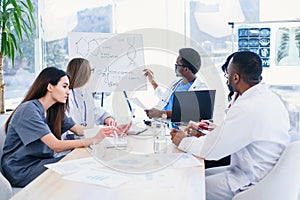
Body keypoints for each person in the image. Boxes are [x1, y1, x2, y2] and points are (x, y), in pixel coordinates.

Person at [171, 51, 290, 200]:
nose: (226, 79)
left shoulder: (248, 106)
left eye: (227, 75)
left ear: (236, 77)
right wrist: (214, 133)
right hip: (264, 174)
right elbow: (242, 133)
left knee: (187, 185)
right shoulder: (270, 98)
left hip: (252, 182)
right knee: (196, 173)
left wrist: (182, 140)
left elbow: (212, 151)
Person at [1, 67, 119, 187]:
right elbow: (56, 145)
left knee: (85, 164)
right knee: (80, 169)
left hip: (40, 163)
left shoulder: (53, 110)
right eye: (64, 86)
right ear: (50, 87)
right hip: (21, 170)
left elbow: (78, 130)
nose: (68, 91)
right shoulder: (29, 110)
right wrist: (93, 139)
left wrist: (106, 130)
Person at [143, 48, 207, 119]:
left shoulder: (201, 89)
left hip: (178, 127)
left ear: (185, 69)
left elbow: (189, 113)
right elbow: (165, 98)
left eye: (177, 65)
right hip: (163, 122)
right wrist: (152, 81)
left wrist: (161, 114)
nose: (175, 67)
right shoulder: (176, 84)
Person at [63, 58, 117, 140]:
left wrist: (107, 119)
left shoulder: (86, 94)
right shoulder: (65, 96)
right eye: (90, 71)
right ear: (84, 74)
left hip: (88, 139)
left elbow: (100, 113)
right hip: (72, 143)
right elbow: (67, 130)